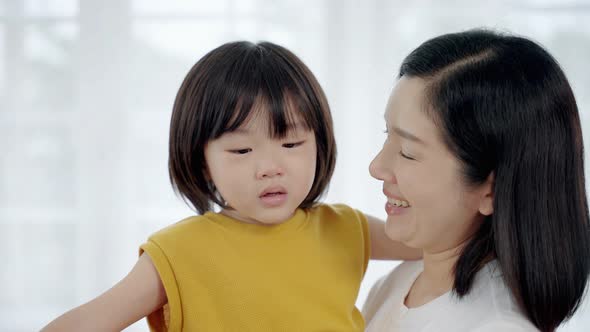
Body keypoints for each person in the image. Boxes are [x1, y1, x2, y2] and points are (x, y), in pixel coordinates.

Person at [41, 41, 420, 331]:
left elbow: (435, 237)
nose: (270, 168)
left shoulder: (343, 228)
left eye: (291, 144)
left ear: (320, 144)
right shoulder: (177, 253)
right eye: (241, 149)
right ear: (200, 161)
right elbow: (86, 322)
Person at [362, 28, 590, 332]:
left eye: (407, 152)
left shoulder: (498, 326)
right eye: (387, 135)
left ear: (491, 190)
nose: (376, 166)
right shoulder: (396, 285)